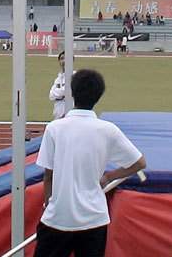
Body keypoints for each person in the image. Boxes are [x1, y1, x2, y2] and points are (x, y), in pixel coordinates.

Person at [34, 69, 146, 257]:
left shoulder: (55, 128)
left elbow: (48, 177)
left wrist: (49, 205)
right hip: (94, 219)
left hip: (58, 217)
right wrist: (108, 177)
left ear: (72, 92)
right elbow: (139, 163)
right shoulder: (108, 130)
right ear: (98, 96)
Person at [49, 52, 73, 119]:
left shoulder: (75, 76)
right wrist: (62, 94)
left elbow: (68, 90)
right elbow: (51, 96)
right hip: (58, 113)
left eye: (66, 59)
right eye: (61, 59)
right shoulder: (58, 79)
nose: (63, 61)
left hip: (70, 114)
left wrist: (60, 93)